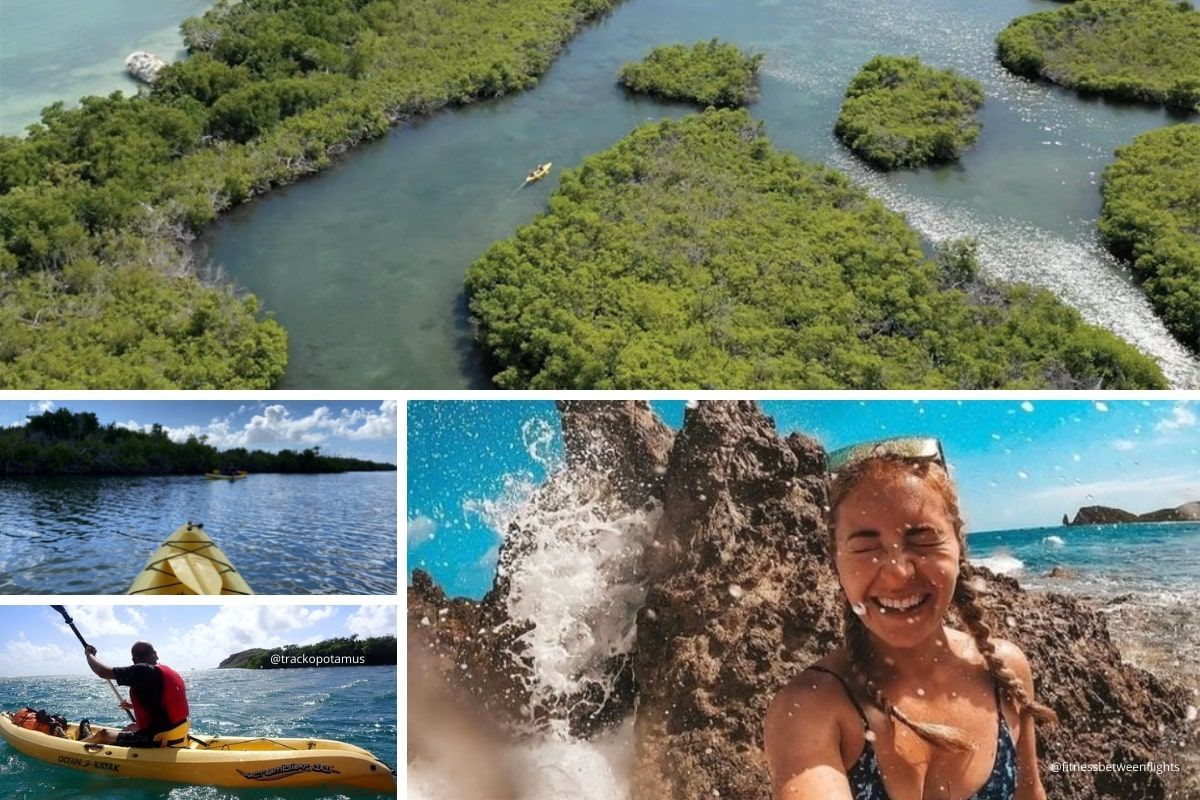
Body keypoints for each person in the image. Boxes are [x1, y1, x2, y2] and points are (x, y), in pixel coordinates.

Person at [764, 438, 1056, 800]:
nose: (898, 573)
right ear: (836, 563)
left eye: (922, 539)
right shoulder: (813, 709)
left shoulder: (1004, 671)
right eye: (866, 547)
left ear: (959, 548)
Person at [80, 641, 190, 748]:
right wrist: (133, 706)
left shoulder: (143, 670)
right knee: (130, 728)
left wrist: (89, 654)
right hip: (177, 732)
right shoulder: (166, 671)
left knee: (104, 734)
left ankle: (78, 746)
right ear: (155, 654)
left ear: (134, 660)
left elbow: (102, 671)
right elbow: (164, 703)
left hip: (157, 738)